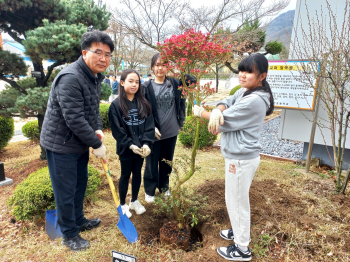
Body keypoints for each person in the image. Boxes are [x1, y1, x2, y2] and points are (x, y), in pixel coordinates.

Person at [193, 53, 274, 261]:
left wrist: (202, 112)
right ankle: (238, 232)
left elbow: (225, 122)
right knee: (235, 199)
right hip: (239, 156)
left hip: (241, 159)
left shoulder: (255, 100)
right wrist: (218, 110)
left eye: (249, 71)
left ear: (262, 76)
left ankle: (242, 248)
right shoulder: (247, 92)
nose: (243, 75)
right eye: (241, 70)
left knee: (237, 201)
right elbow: (227, 101)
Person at [40, 30, 114, 251]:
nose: (103, 58)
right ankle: (69, 234)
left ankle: (79, 219)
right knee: (65, 189)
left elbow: (91, 111)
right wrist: (97, 144)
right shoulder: (71, 78)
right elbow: (74, 119)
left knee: (80, 183)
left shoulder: (93, 76)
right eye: (98, 52)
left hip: (77, 142)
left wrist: (98, 131)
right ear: (84, 53)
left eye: (108, 54)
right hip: (61, 144)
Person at [142, 53, 196, 203]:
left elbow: (192, 81)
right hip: (154, 133)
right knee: (152, 163)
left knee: (166, 162)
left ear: (168, 67)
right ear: (152, 67)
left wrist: (182, 67)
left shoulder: (174, 83)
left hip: (171, 131)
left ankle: (164, 187)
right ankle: (149, 190)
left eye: (164, 65)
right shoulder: (146, 87)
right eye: (157, 65)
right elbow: (142, 110)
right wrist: (150, 127)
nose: (160, 68)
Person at [108, 69, 154, 217]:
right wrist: (130, 144)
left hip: (141, 148)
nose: (134, 84)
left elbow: (149, 126)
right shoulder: (115, 106)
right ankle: (122, 204)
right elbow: (117, 130)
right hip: (127, 149)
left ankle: (134, 201)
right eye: (130, 81)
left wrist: (146, 143)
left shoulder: (144, 104)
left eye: (137, 82)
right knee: (125, 175)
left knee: (137, 173)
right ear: (122, 83)